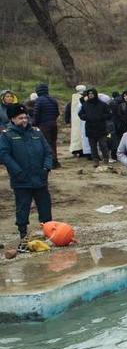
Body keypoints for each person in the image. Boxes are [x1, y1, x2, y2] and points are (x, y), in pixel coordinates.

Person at [0, 104, 53, 249]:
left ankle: (49, 233)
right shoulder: (7, 135)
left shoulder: (36, 132)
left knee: (45, 207)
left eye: (25, 117)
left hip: (40, 178)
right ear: (12, 119)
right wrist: (17, 171)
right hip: (21, 180)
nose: (24, 120)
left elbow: (48, 152)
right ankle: (23, 235)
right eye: (20, 118)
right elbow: (4, 155)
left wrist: (46, 167)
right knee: (22, 208)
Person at [78, 88, 112, 167]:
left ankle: (106, 159)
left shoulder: (102, 104)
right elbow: (80, 114)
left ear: (95, 94)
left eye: (92, 94)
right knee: (93, 146)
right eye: (89, 94)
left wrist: (101, 117)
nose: (90, 95)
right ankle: (95, 160)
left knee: (103, 145)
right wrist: (87, 117)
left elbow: (109, 114)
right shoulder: (85, 105)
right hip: (90, 128)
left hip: (101, 128)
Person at [33, 83, 60, 169]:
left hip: (44, 125)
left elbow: (36, 114)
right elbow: (57, 113)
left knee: (46, 144)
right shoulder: (53, 100)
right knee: (53, 143)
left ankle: (50, 162)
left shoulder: (39, 100)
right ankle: (55, 161)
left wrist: (34, 123)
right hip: (54, 124)